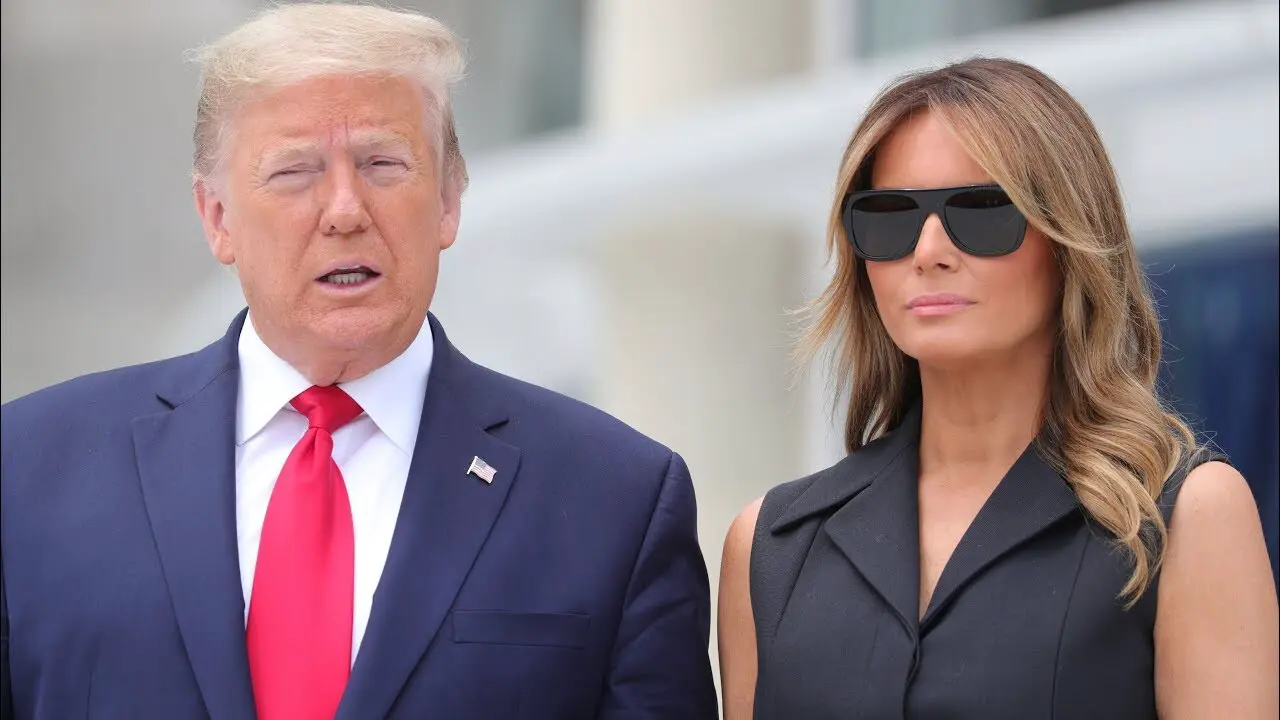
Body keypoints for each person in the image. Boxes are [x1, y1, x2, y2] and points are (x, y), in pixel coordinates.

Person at [0, 4, 718, 718]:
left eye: (382, 164)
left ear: (448, 198)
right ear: (216, 216)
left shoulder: (614, 498)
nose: (345, 209)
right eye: (294, 171)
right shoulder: (28, 471)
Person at [718, 58, 1279, 719]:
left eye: (982, 210)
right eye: (889, 216)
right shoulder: (771, 548)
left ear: (1068, 240)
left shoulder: (1183, 517)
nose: (929, 250)